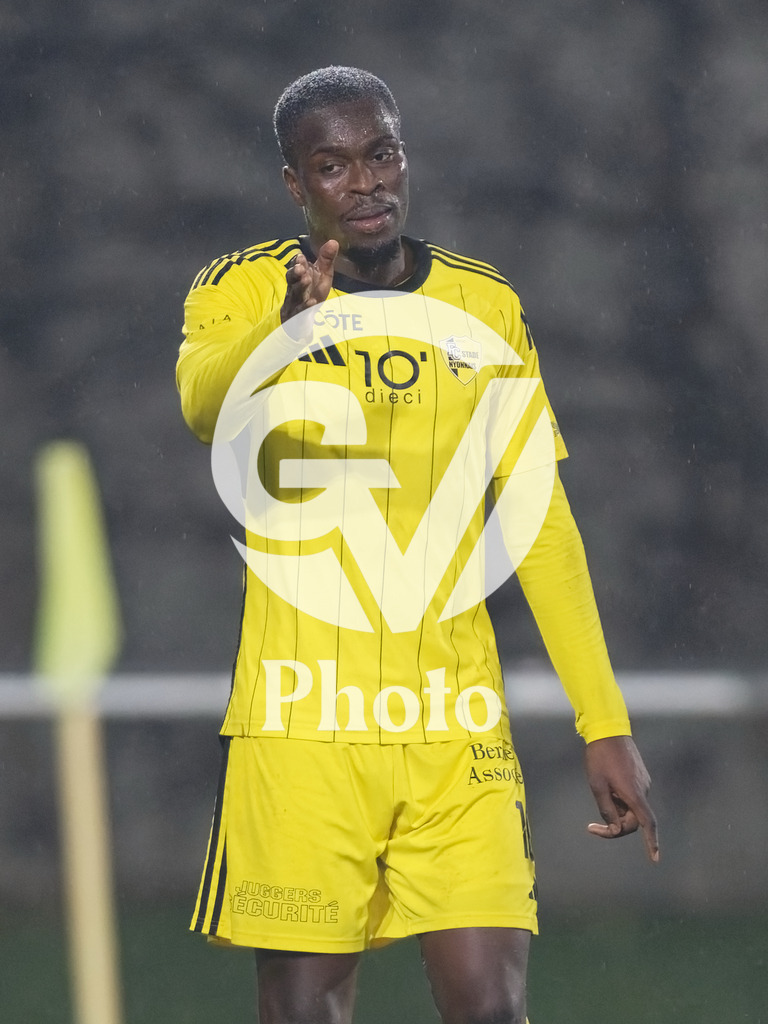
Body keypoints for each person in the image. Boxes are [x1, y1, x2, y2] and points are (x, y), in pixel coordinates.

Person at [176, 66, 659, 1024]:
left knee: (491, 1009)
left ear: (405, 157)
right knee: (302, 1011)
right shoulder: (244, 286)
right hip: (302, 725)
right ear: (295, 184)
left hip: (455, 726)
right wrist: (286, 331)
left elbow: (540, 519)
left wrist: (603, 723)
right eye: (332, 165)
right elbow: (200, 405)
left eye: (382, 154)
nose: (365, 182)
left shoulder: (483, 305)